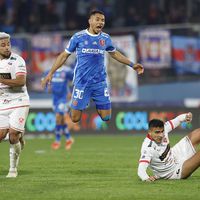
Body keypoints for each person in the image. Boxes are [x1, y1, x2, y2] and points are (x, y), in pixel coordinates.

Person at [42, 10, 144, 123]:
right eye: (97, 19)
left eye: (103, 20)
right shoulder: (78, 37)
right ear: (90, 21)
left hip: (99, 83)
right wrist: (51, 73)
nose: (100, 22)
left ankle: (94, 101)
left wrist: (132, 64)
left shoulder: (105, 38)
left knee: (106, 117)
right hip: (82, 83)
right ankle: (84, 101)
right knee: (75, 118)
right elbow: (63, 56)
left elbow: (114, 53)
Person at [137, 112, 200, 181]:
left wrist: (186, 116)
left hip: (175, 154)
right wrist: (146, 178)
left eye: (162, 132)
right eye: (157, 132)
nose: (161, 135)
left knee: (198, 132)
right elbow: (141, 170)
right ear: (149, 132)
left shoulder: (165, 128)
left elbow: (178, 120)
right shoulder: (148, 148)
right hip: (173, 172)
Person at [0, 32, 30, 178]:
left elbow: (20, 82)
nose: (7, 48)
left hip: (19, 100)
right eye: (3, 45)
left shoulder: (17, 60)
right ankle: (19, 133)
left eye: (8, 44)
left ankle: (13, 169)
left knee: (12, 136)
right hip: (2, 102)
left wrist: (1, 80)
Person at [45, 65, 74, 150]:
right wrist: (48, 88)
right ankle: (68, 138)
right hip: (55, 99)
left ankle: (57, 141)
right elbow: (48, 86)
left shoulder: (67, 71)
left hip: (63, 99)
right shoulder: (51, 71)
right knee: (60, 120)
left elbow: (73, 80)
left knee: (58, 117)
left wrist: (70, 92)